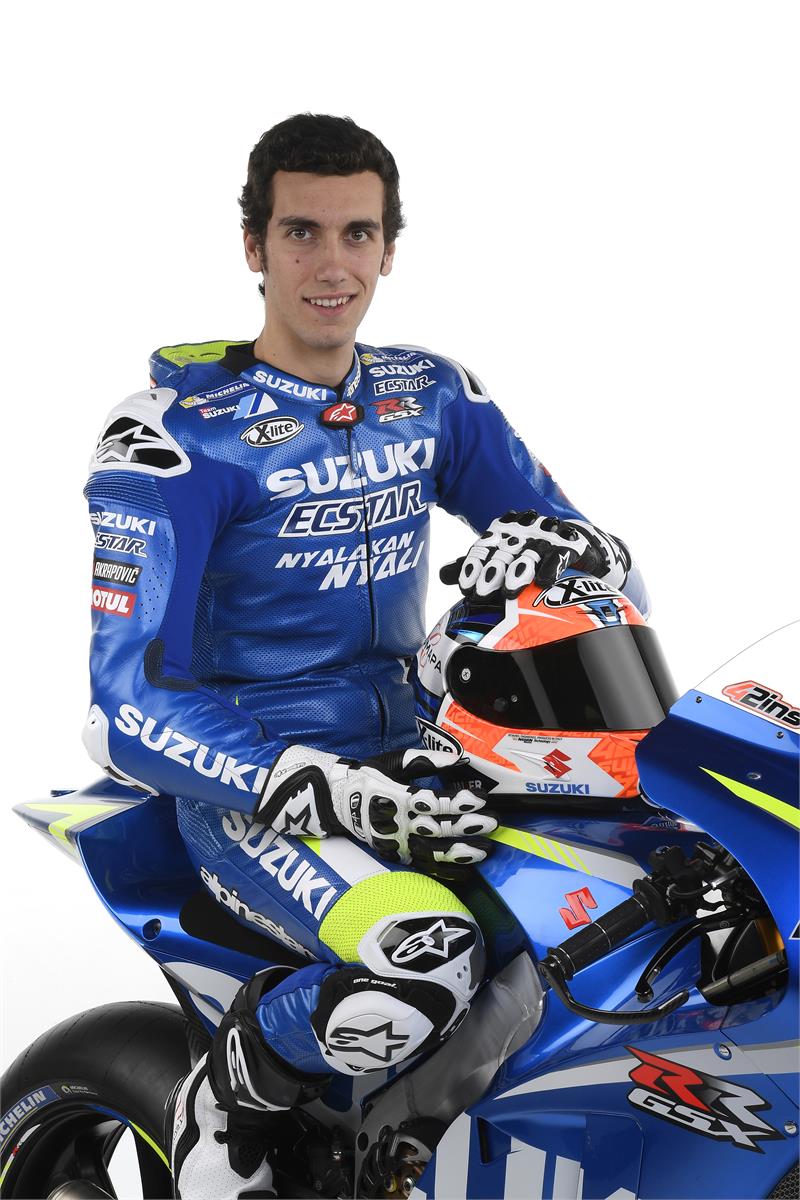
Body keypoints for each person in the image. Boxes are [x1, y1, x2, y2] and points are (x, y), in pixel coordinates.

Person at [83, 113, 649, 1199]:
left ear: (390, 247)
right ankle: (233, 1089)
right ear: (253, 246)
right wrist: (314, 785)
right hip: (257, 788)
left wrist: (573, 554)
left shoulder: (428, 393)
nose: (331, 264)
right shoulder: (175, 435)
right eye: (301, 232)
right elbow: (124, 702)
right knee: (426, 955)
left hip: (429, 760)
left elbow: (594, 573)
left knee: (642, 900)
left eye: (357, 233)